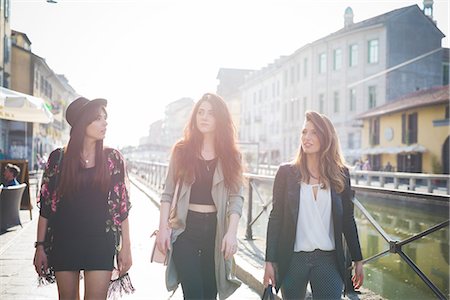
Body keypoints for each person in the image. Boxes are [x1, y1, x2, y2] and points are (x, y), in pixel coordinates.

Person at [33, 97, 133, 299]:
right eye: (98, 118)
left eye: (105, 118)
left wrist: (126, 249)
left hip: (100, 242)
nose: (105, 123)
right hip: (64, 241)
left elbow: (122, 207)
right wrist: (40, 247)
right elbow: (46, 207)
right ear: (82, 123)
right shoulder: (58, 158)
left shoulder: (112, 158)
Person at [263, 111, 364, 300]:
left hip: (328, 260)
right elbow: (275, 218)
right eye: (304, 132)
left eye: (314, 133)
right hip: (293, 259)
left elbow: (348, 220)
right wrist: (269, 260)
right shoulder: (286, 173)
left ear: (326, 138)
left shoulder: (340, 174)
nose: (307, 138)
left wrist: (358, 259)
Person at [155, 93, 244, 300]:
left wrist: (231, 233)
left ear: (220, 118)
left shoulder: (232, 156)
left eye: (211, 113)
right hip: (186, 229)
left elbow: (236, 199)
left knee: (210, 294)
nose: (204, 117)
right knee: (194, 294)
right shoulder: (181, 151)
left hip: (216, 230)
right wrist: (163, 229)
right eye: (200, 112)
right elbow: (167, 193)